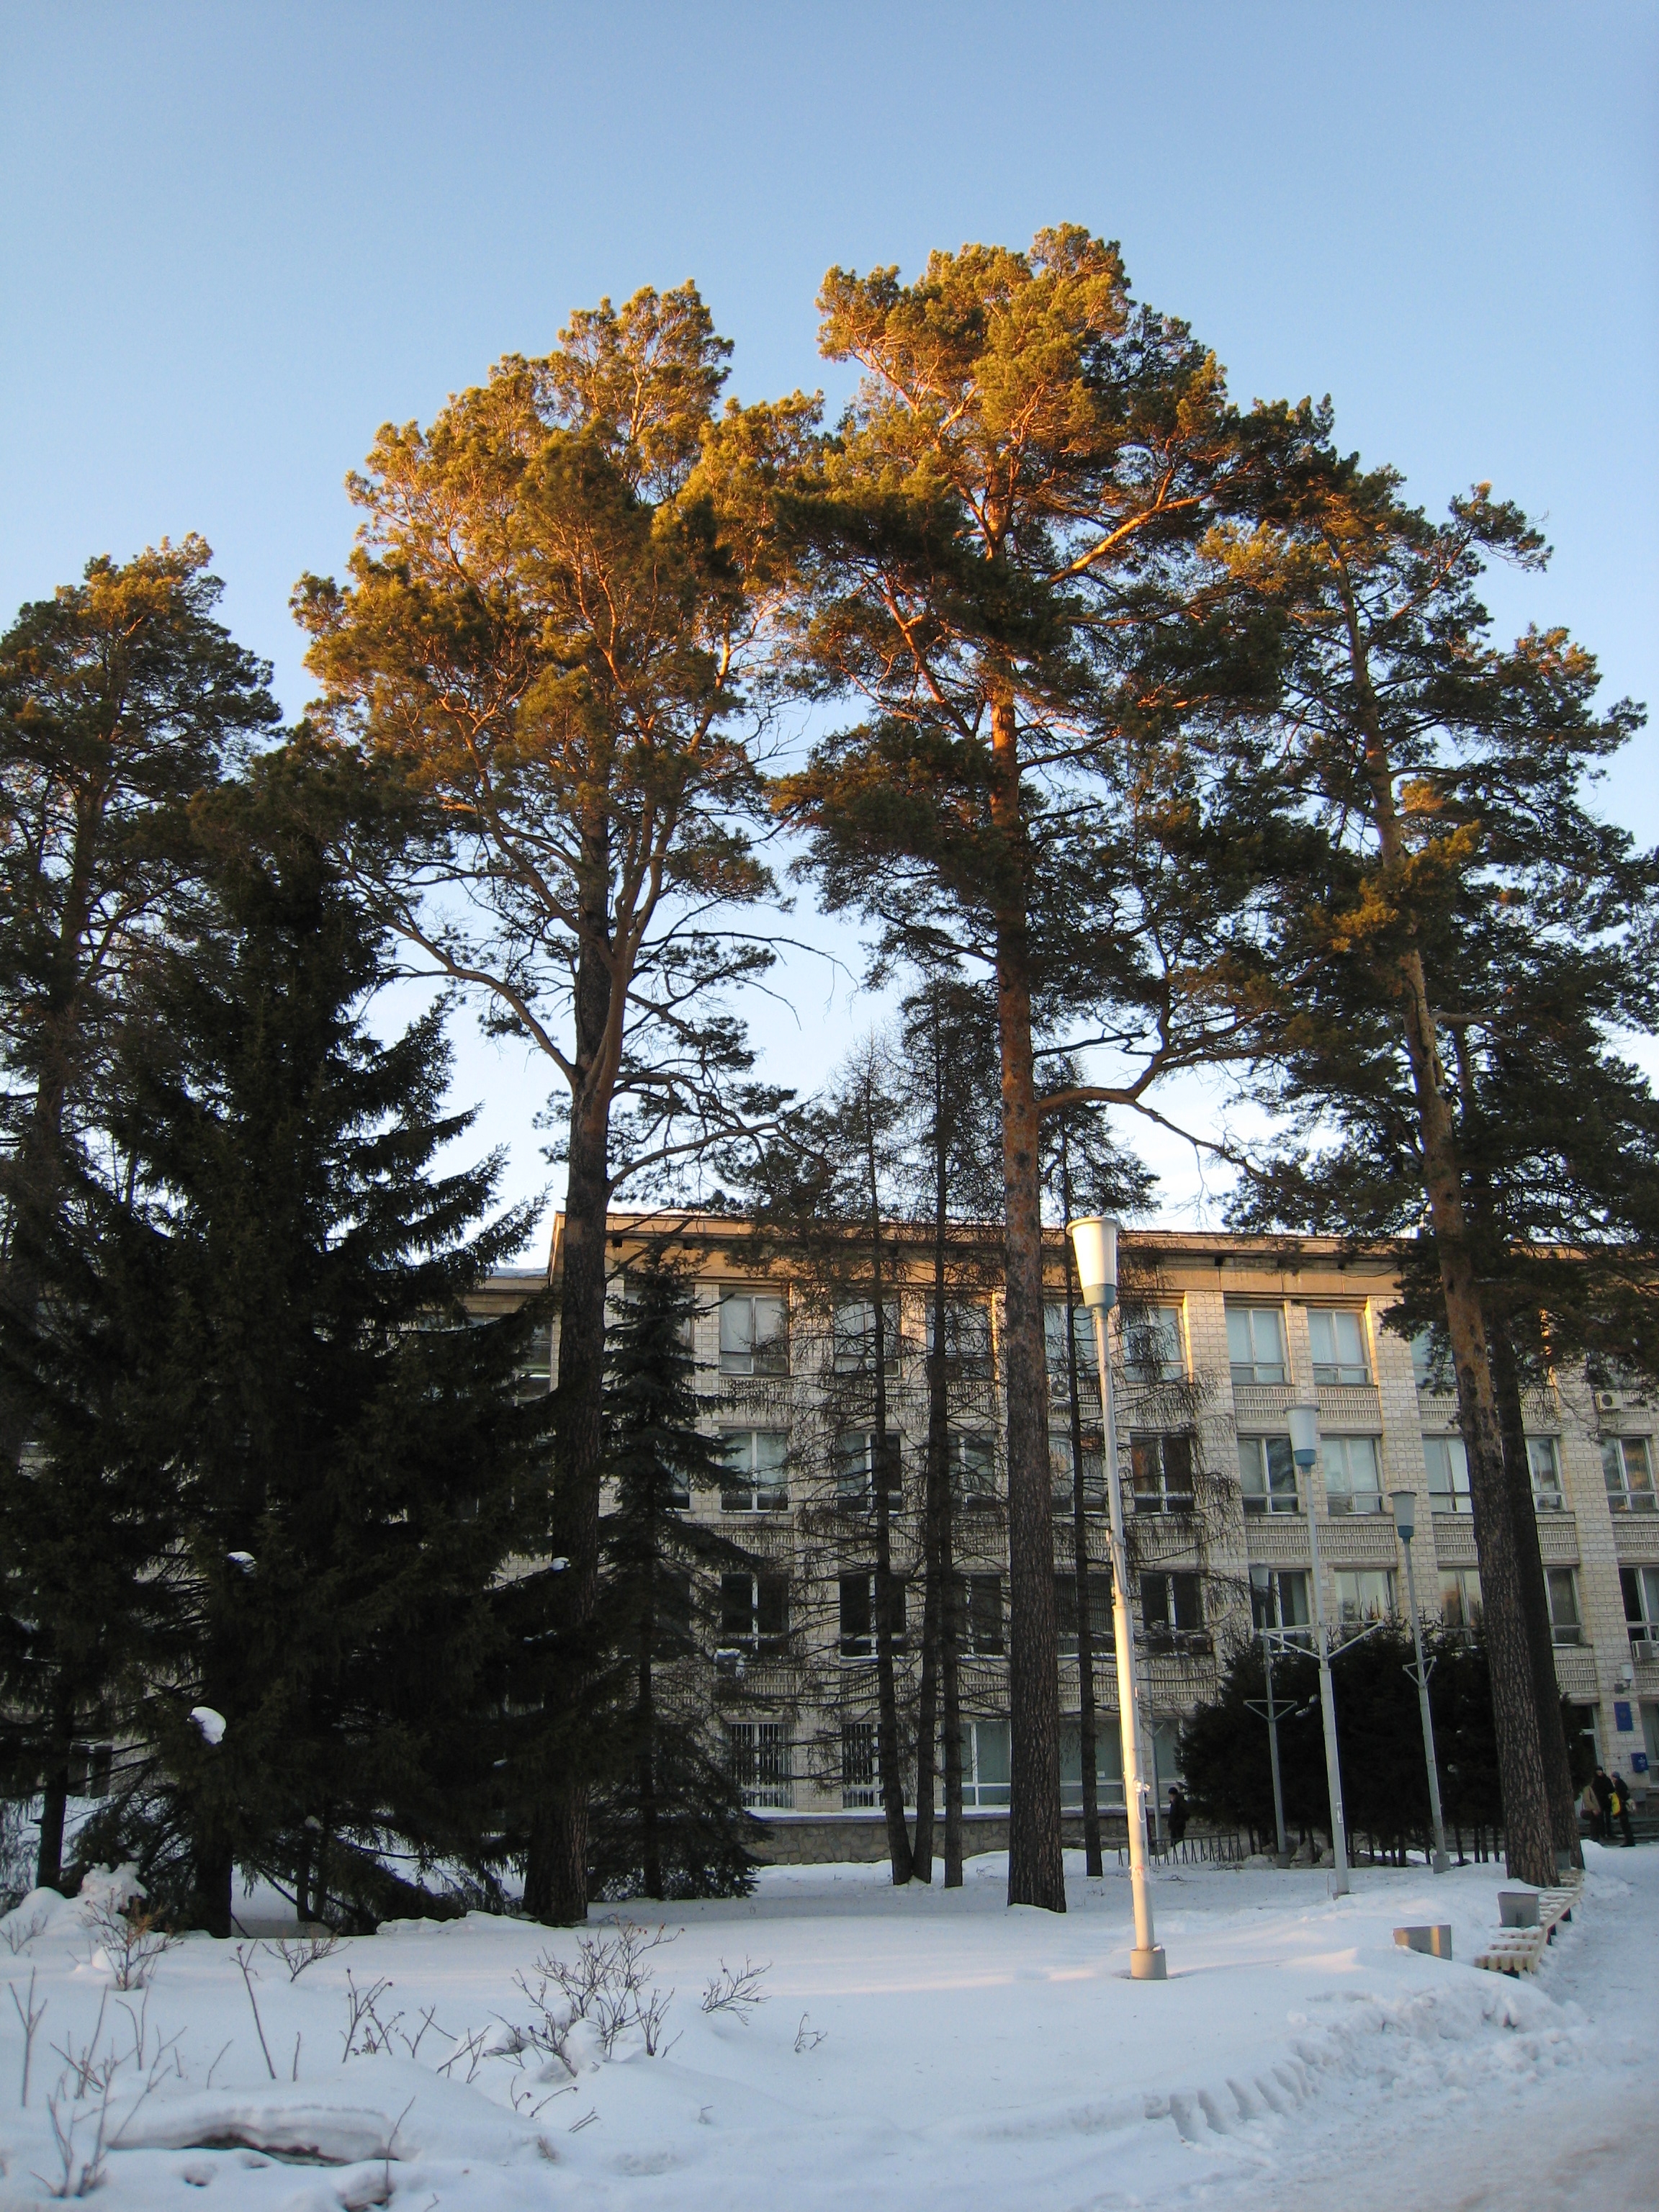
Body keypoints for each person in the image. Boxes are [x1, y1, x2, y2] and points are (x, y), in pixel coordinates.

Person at [1609, 1771, 1636, 1848]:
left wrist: (1613, 1795)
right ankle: (1630, 1840)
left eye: (1613, 1777)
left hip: (1622, 1807)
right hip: (1623, 1807)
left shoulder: (1618, 1784)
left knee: (1625, 1825)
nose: (1612, 1779)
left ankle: (1629, 1841)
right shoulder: (1622, 1783)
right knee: (1626, 1825)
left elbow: (1621, 1795)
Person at [1593, 1767, 1615, 1844]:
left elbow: (1612, 1789)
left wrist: (1610, 1795)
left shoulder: (1607, 1780)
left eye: (1600, 1771)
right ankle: (1602, 1833)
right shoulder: (1595, 1781)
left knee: (1608, 1818)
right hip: (1599, 1802)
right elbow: (1594, 1792)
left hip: (1607, 1801)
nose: (1600, 1773)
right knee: (1601, 1818)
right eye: (1598, 1772)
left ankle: (1610, 1832)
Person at [1166, 1784, 1190, 1849]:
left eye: (1171, 1795)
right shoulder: (1173, 1803)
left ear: (1174, 1795)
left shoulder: (1180, 1803)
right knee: (1174, 1844)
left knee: (1179, 1844)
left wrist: (1177, 1823)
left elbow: (1183, 1815)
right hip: (1174, 1826)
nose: (1170, 1797)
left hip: (1178, 1826)